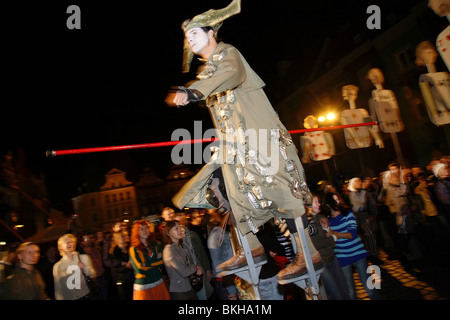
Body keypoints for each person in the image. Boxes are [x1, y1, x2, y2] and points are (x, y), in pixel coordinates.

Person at [166, 0, 321, 281]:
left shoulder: (229, 55)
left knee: (281, 194)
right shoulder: (206, 72)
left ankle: (308, 253)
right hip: (237, 147)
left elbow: (233, 75)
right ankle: (252, 247)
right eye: (187, 37)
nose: (190, 40)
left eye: (196, 34)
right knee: (235, 194)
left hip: (260, 139)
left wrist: (193, 93)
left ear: (211, 33)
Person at [321, 192, 380, 300]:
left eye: (338, 199)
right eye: (335, 200)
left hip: (357, 252)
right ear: (328, 204)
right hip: (342, 255)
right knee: (350, 291)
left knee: (369, 286)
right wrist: (328, 230)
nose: (338, 201)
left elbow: (352, 234)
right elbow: (329, 237)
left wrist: (336, 234)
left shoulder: (347, 213)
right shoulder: (327, 220)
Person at [307, 194, 351, 300]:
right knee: (335, 293)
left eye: (319, 201)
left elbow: (329, 234)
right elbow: (315, 244)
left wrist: (327, 230)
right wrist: (333, 239)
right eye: (315, 202)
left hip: (332, 257)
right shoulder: (307, 222)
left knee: (345, 290)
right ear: (308, 205)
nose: (319, 204)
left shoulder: (321, 217)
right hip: (322, 262)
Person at [129, 220, 169, 300]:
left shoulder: (155, 244)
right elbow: (140, 269)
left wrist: (147, 264)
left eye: (146, 228)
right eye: (141, 229)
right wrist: (155, 262)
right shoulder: (134, 249)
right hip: (144, 287)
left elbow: (162, 262)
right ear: (137, 232)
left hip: (159, 282)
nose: (145, 231)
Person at [163, 220, 202, 300]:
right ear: (168, 233)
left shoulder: (180, 246)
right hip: (179, 292)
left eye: (179, 227)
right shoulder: (169, 250)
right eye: (176, 229)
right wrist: (195, 267)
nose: (180, 230)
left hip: (188, 288)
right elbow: (184, 272)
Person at [206, 208, 238, 300]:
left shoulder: (223, 233)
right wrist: (231, 290)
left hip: (230, 281)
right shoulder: (216, 236)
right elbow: (220, 264)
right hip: (226, 284)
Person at [53, 233, 96, 300]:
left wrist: (84, 268)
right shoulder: (58, 266)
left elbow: (93, 275)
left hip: (86, 296)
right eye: (66, 242)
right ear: (60, 246)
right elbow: (58, 288)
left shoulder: (84, 258)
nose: (69, 244)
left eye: (71, 242)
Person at [347, 177, 379, 260]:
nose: (360, 182)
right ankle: (373, 255)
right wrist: (364, 191)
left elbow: (371, 203)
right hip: (360, 217)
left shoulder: (362, 192)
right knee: (370, 234)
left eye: (360, 180)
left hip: (367, 215)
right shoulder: (352, 194)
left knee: (370, 235)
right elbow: (358, 207)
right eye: (357, 181)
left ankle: (371, 253)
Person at [80, 232, 108, 299]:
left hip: (102, 278)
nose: (89, 241)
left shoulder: (96, 250)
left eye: (89, 238)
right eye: (86, 240)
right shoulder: (82, 255)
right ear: (82, 243)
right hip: (93, 280)